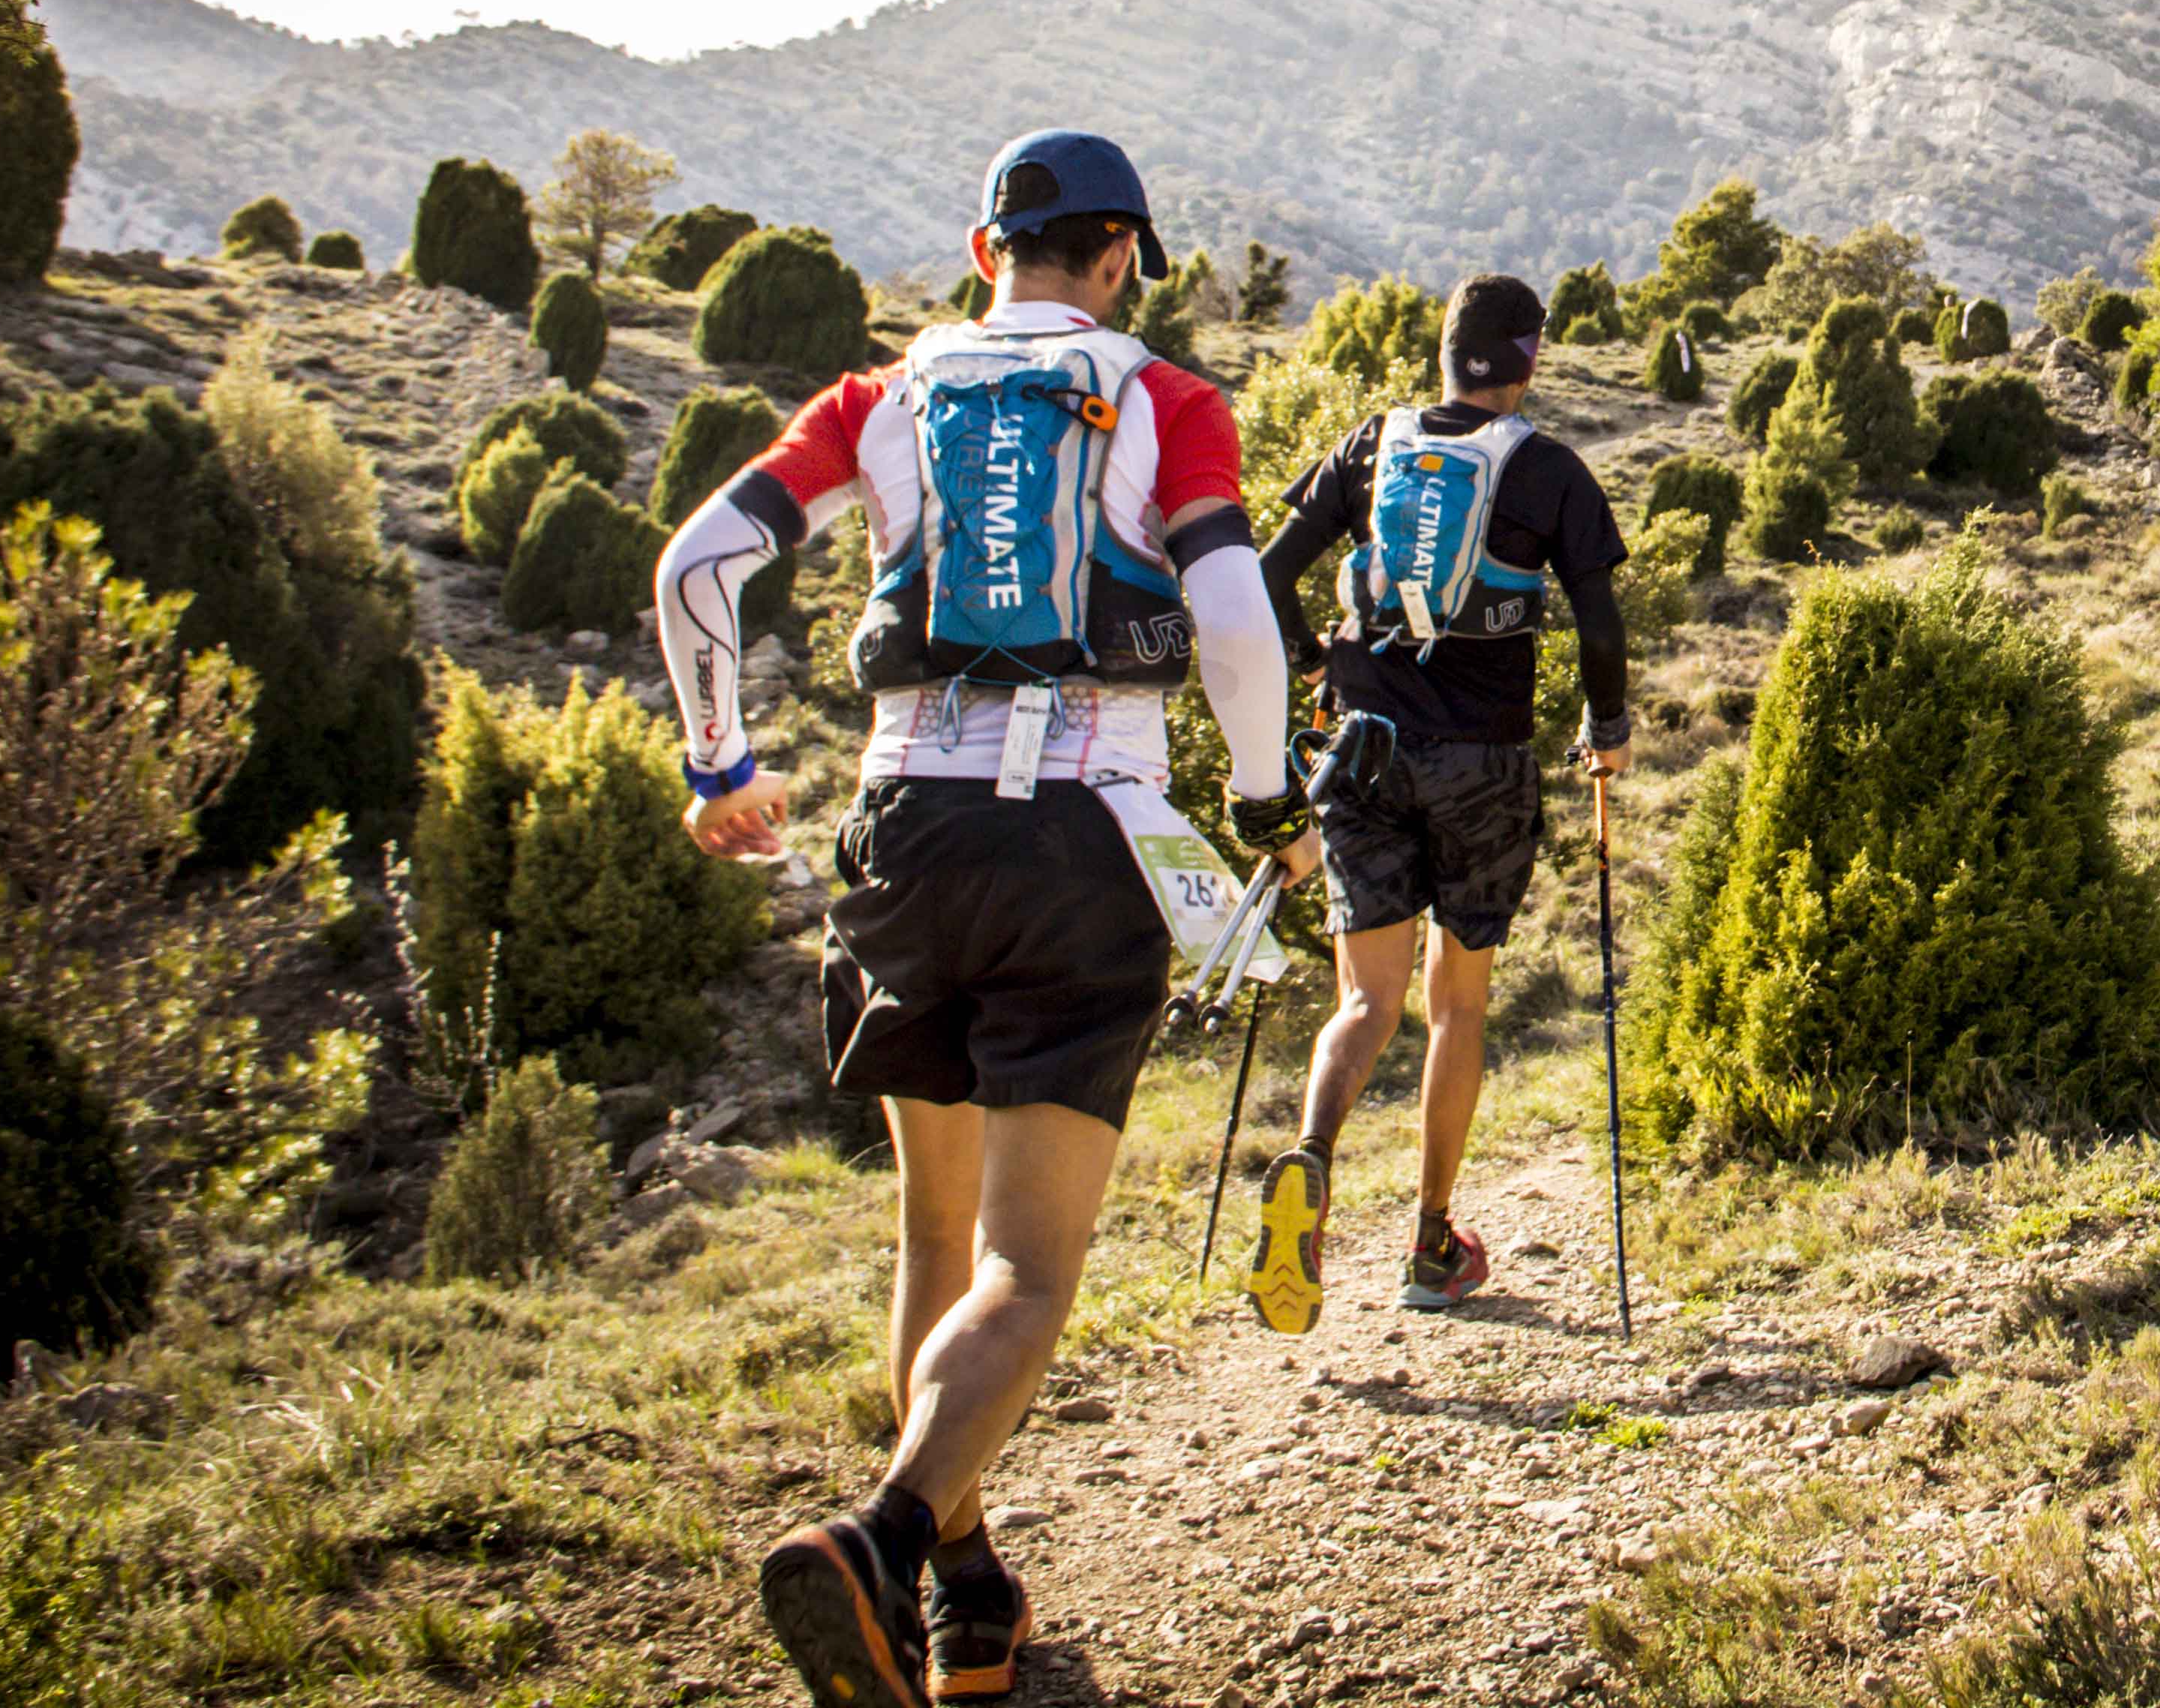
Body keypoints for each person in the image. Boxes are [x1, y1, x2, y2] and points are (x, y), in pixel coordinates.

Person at [656, 129, 1314, 1708]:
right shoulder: (1165, 399)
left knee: (935, 1237)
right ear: (1119, 263)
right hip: (1084, 838)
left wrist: (721, 768)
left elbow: (702, 563)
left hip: (901, 831)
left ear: (981, 251)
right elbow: (1230, 613)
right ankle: (881, 1541)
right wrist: (1268, 800)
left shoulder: (882, 399)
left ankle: (966, 1599)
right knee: (1024, 1272)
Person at [1242, 275, 1629, 1332]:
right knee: (1455, 1004)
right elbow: (1599, 625)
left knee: (1363, 1003)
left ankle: (1310, 1158)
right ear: (1531, 358)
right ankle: (1430, 1244)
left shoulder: (1374, 442)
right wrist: (1610, 731)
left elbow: (1267, 573)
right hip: (1482, 765)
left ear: (1447, 351)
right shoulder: (1546, 468)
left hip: (1361, 753)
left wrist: (1314, 658)